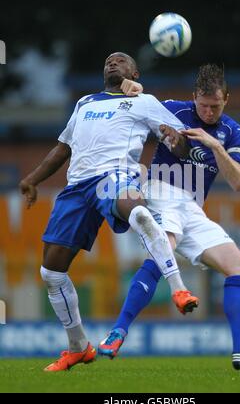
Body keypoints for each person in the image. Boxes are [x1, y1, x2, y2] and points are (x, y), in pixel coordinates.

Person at [99, 64, 240, 370]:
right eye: (203, 105)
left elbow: (238, 181)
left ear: (225, 99)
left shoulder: (231, 131)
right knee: (166, 245)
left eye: (215, 106)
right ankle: (117, 332)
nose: (209, 112)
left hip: (191, 207)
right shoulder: (173, 110)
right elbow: (135, 108)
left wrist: (215, 146)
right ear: (194, 98)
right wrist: (131, 90)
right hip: (162, 188)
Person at [19, 52, 199, 372]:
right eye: (107, 61)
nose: (112, 63)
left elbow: (180, 141)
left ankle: (178, 288)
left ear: (135, 71)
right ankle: (78, 347)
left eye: (120, 60)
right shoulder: (85, 102)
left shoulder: (143, 101)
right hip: (77, 188)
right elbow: (63, 147)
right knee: (51, 271)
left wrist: (176, 141)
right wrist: (33, 179)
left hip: (113, 178)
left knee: (140, 214)